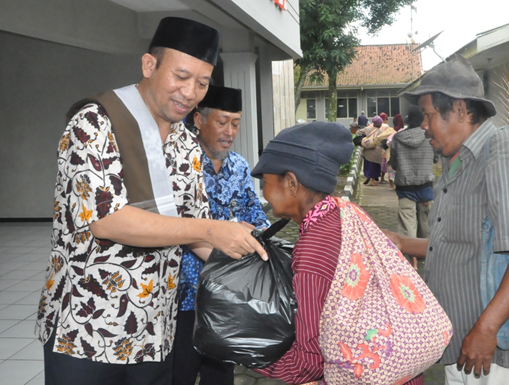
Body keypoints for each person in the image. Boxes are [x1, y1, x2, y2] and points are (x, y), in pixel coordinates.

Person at [36, 17, 266, 385]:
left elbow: (197, 236)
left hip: (154, 332)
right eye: (181, 76)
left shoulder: (187, 144)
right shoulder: (96, 123)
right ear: (149, 65)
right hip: (84, 328)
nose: (190, 92)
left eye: (202, 83)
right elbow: (108, 221)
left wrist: (256, 257)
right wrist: (211, 228)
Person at [386, 58, 509, 384]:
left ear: (460, 110)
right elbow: (457, 244)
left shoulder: (504, 151)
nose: (423, 126)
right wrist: (402, 243)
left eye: (429, 115)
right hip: (464, 341)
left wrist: (486, 329)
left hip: (499, 352)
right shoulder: (457, 161)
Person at [249, 121, 423, 385]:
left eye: (266, 181)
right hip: (397, 370)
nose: (264, 192)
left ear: (292, 184)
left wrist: (245, 353)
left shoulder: (311, 253)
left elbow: (308, 362)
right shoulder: (349, 214)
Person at [172, 85, 270, 385]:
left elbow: (254, 212)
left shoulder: (239, 166)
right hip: (184, 295)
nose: (230, 131)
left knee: (221, 374)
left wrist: (259, 231)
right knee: (180, 373)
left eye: (236, 123)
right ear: (199, 120)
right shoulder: (178, 163)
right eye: (222, 121)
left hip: (227, 294)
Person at [388, 106, 436, 269]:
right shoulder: (430, 137)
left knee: (407, 224)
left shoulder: (398, 138)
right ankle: (428, 256)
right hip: (425, 186)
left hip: (405, 187)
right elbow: (436, 157)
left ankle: (412, 261)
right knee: (426, 223)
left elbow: (393, 162)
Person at [359, 116, 384, 186]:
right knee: (375, 166)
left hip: (367, 151)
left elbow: (358, 132)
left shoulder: (367, 129)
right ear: (380, 124)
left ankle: (367, 177)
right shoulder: (380, 131)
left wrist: (364, 139)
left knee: (367, 165)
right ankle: (373, 181)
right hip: (376, 151)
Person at [383, 113, 405, 190]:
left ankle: (391, 186)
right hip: (402, 154)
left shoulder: (391, 130)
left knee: (391, 169)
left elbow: (380, 136)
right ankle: (400, 185)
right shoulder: (404, 130)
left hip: (391, 153)